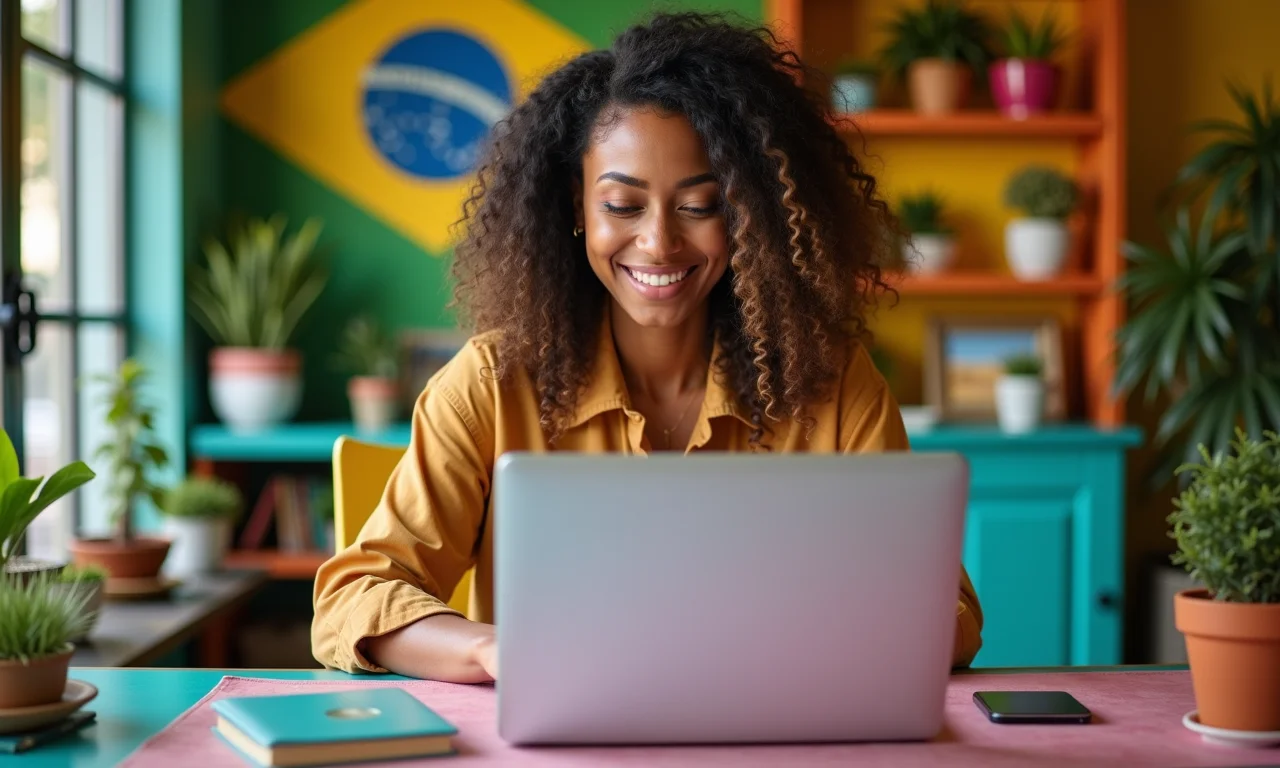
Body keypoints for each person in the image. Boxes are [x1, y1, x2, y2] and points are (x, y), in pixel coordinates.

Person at [312, 12, 982, 682]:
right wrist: (496, 651)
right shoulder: (490, 384)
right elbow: (353, 600)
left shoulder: (831, 381)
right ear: (577, 208)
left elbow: (947, 614)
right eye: (623, 206)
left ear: (748, 214)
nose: (659, 243)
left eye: (700, 206)